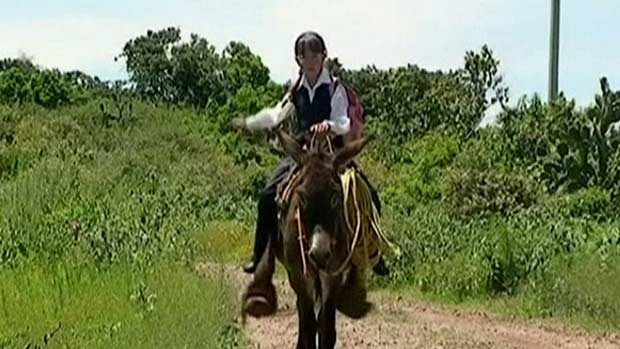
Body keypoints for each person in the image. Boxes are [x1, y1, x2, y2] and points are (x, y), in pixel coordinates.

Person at [233, 31, 389, 276]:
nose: (312, 60)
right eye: (306, 56)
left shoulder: (335, 88)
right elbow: (276, 115)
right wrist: (250, 122)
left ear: (324, 56)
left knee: (370, 195)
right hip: (302, 153)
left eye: (316, 54)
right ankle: (260, 254)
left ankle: (372, 251)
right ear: (299, 60)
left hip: (330, 154)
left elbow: (343, 121)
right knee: (266, 197)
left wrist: (329, 126)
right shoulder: (295, 89)